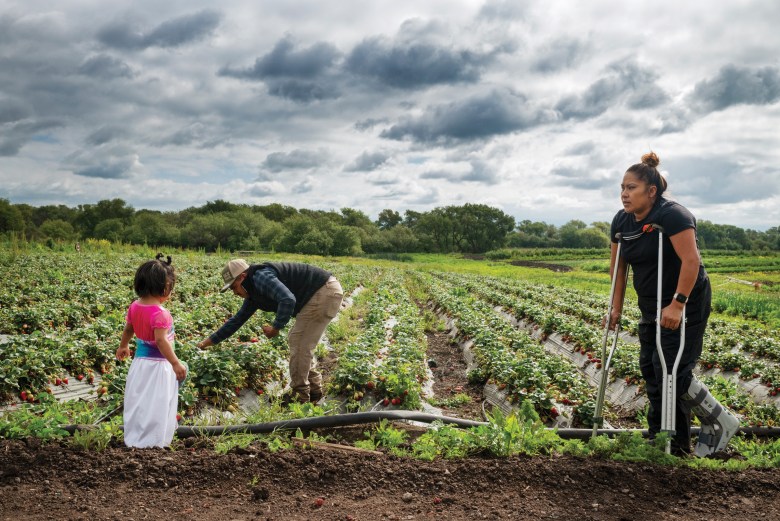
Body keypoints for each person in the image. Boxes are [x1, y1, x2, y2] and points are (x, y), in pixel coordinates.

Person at [607, 152, 739, 457]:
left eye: (631, 188)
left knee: (673, 371)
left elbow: (691, 261)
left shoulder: (673, 216)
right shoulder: (621, 221)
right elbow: (618, 271)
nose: (624, 194)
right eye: (622, 188)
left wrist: (678, 305)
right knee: (652, 370)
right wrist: (615, 309)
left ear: (651, 191)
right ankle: (666, 439)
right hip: (651, 304)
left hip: (685, 301)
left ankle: (719, 419)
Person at [197, 260, 343, 404]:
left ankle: (300, 395)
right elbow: (236, 321)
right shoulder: (253, 292)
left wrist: (276, 328)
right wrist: (205, 343)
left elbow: (287, 299)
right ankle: (313, 389)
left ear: (242, 277)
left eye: (234, 287)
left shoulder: (259, 277)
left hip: (323, 292)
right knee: (300, 343)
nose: (235, 292)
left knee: (298, 342)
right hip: (325, 291)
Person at [117, 254, 187, 448]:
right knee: (157, 403)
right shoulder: (161, 314)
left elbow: (129, 329)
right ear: (165, 288)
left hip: (140, 364)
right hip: (159, 367)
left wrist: (123, 345)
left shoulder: (134, 306)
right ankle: (154, 442)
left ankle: (135, 439)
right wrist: (175, 363)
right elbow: (160, 340)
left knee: (140, 401)